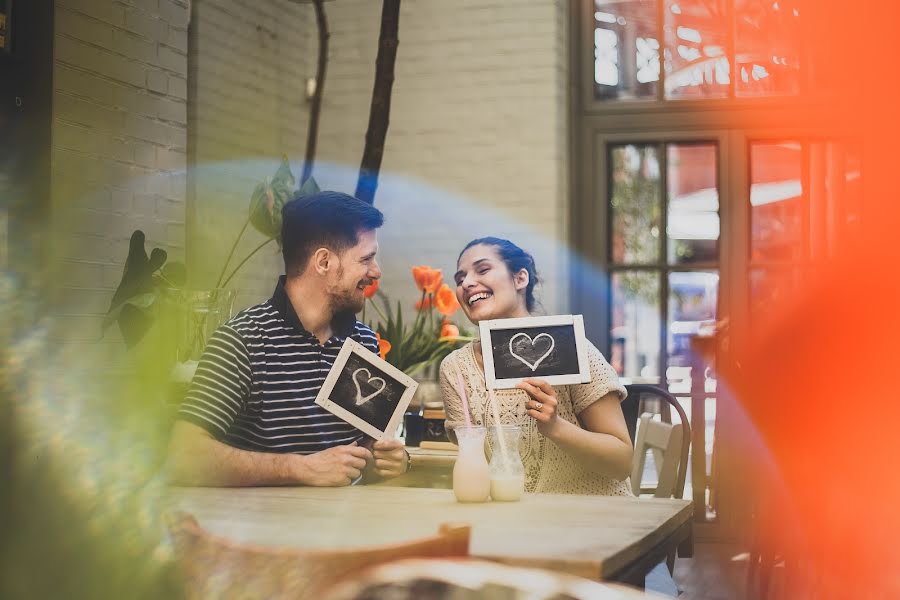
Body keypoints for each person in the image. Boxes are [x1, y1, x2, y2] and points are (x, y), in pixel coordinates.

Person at [166, 191, 409, 486]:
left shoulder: (364, 341)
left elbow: (368, 454)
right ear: (323, 262)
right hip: (263, 529)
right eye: (366, 259)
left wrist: (390, 460)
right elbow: (184, 457)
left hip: (346, 525)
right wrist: (300, 468)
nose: (376, 272)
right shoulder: (243, 341)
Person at [440, 237, 633, 496]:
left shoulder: (572, 348)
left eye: (482, 269)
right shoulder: (456, 369)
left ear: (520, 279)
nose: (466, 283)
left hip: (591, 520)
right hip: (512, 525)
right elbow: (474, 462)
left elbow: (622, 463)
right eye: (460, 278)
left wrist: (556, 427)